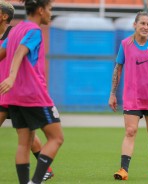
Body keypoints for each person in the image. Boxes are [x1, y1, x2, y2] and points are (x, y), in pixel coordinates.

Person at [0, 0, 64, 183]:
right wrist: (12, 76)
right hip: (33, 94)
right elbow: (20, 51)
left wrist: (11, 78)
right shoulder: (34, 30)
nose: (51, 13)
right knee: (56, 138)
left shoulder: (16, 30)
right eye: (50, 9)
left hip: (13, 97)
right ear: (41, 10)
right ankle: (35, 181)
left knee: (24, 142)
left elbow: (1, 54)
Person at [108, 11, 148, 181]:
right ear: (134, 25)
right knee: (130, 131)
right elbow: (118, 68)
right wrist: (112, 94)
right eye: (142, 23)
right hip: (132, 97)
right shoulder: (125, 44)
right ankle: (123, 170)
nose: (146, 27)